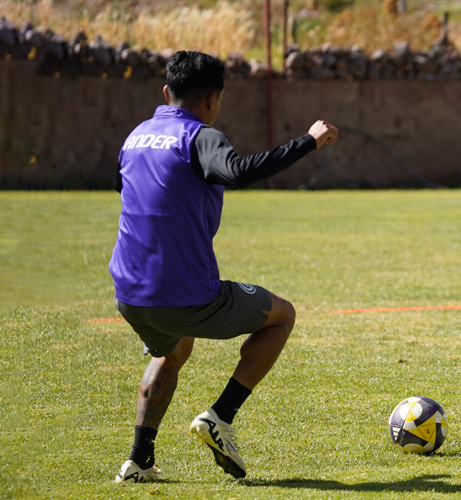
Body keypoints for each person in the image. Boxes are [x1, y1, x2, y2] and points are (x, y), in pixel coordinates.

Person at [110, 50, 338, 483]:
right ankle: (221, 417)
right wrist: (309, 141)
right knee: (282, 315)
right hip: (182, 295)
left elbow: (129, 191)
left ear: (166, 92)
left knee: (174, 349)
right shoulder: (200, 136)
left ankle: (139, 461)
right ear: (213, 99)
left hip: (129, 294)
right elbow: (237, 172)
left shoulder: (136, 136)